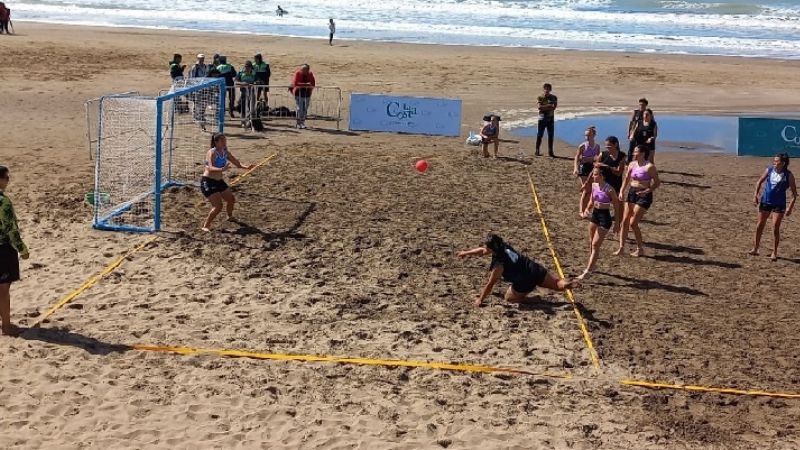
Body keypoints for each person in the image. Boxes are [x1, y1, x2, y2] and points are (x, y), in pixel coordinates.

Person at [457, 234, 575, 307]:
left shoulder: (499, 264)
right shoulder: (503, 245)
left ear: (493, 249)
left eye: (487, 247)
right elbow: (482, 251)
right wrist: (466, 253)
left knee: (509, 298)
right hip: (534, 268)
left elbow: (490, 283)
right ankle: (574, 281)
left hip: (525, 280)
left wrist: (480, 299)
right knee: (558, 284)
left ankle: (533, 300)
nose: (485, 249)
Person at [200, 133, 254, 232]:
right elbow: (209, 167)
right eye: (222, 140)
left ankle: (229, 217)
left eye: (225, 140)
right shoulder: (212, 152)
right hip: (208, 181)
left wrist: (246, 167)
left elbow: (237, 163)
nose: (225, 142)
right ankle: (206, 226)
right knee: (218, 206)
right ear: (216, 142)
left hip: (219, 181)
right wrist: (222, 169)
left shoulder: (225, 152)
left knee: (231, 199)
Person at [750, 153, 797, 261]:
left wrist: (790, 207)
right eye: (774, 161)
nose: (774, 163)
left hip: (779, 204)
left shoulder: (788, 175)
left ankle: (774, 252)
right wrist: (755, 195)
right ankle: (755, 248)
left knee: (775, 227)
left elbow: (794, 194)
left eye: (777, 161)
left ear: (783, 163)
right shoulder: (769, 170)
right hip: (765, 201)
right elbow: (759, 182)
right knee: (760, 225)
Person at [615, 145, 660, 257]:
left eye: (636, 152)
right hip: (632, 192)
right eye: (634, 151)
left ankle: (640, 248)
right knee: (624, 221)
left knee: (633, 223)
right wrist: (621, 191)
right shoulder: (632, 164)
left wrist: (647, 191)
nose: (634, 153)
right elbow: (626, 178)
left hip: (644, 195)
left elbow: (657, 183)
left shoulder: (649, 167)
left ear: (643, 153)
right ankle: (621, 248)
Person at [0, 166, 29, 336]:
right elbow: (11, 230)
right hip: (3, 249)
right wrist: (22, 249)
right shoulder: (3, 203)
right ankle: (6, 326)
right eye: (6, 178)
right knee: (3, 290)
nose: (8, 181)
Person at [578, 167, 622, 279]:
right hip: (595, 215)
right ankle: (592, 265)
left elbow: (617, 207)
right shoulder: (594, 185)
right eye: (593, 174)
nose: (593, 176)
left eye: (595, 174)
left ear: (602, 176)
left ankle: (587, 271)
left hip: (604, 218)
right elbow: (592, 200)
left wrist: (617, 223)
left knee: (595, 244)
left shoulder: (610, 190)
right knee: (591, 242)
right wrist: (586, 210)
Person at [574, 126, 600, 217]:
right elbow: (577, 157)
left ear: (594, 135)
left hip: (592, 168)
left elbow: (598, 159)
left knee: (591, 190)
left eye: (589, 135)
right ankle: (581, 211)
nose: (587, 137)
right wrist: (576, 168)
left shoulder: (597, 146)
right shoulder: (582, 146)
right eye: (586, 135)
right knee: (586, 190)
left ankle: (587, 209)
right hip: (584, 168)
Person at [535, 83, 557, 157]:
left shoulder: (554, 97)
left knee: (551, 135)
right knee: (540, 134)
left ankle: (550, 152)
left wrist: (545, 107)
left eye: (548, 89)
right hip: (542, 119)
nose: (547, 90)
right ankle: (537, 150)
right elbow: (539, 107)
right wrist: (549, 106)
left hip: (550, 119)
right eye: (545, 88)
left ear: (550, 89)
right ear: (543, 89)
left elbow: (554, 107)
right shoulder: (540, 97)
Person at [291, 64, 316, 129]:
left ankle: (302, 122)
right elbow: (295, 83)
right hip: (298, 93)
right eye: (302, 69)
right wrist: (306, 84)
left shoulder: (310, 74)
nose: (302, 70)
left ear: (308, 70)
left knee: (305, 108)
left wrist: (309, 87)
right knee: (300, 108)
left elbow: (313, 84)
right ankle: (298, 123)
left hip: (307, 93)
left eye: (304, 69)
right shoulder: (298, 73)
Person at [235, 61, 257, 127]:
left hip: (252, 92)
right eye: (245, 66)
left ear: (251, 67)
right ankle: (243, 122)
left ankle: (250, 122)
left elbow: (258, 81)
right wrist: (243, 83)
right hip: (243, 93)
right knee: (243, 108)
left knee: (251, 108)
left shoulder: (254, 73)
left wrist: (255, 83)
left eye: (248, 67)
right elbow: (236, 82)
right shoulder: (241, 72)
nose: (246, 68)